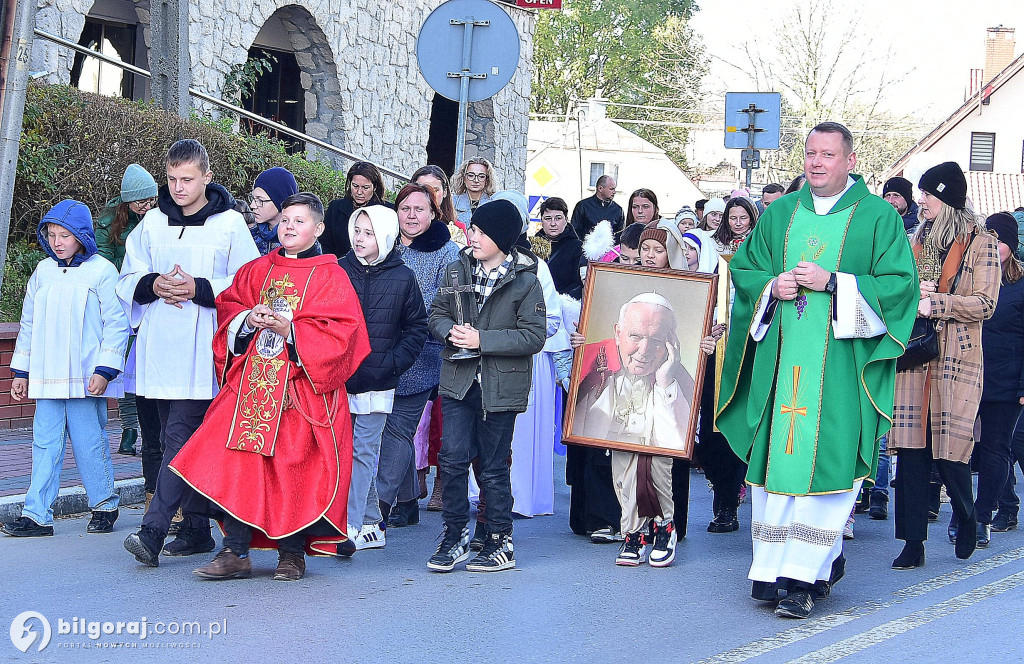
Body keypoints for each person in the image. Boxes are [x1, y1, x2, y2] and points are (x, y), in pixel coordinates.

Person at [717, 122, 918, 619]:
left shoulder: (876, 218)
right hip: (782, 365)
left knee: (824, 466)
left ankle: (806, 575)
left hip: (840, 373)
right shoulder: (779, 214)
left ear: (850, 160)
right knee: (778, 463)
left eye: (827, 154)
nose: (816, 162)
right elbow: (745, 270)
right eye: (810, 153)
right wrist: (772, 286)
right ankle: (772, 569)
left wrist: (837, 283)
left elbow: (899, 287)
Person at [169, 193, 371, 581]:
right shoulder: (257, 270)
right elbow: (229, 308)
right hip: (251, 390)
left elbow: (343, 335)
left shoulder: (330, 275)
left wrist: (290, 330)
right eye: (286, 220)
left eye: (299, 221)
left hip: (300, 392)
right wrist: (248, 319)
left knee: (294, 470)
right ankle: (235, 551)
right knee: (240, 466)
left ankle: (292, 554)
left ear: (319, 229)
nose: (290, 227)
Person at [121, 139, 261, 567]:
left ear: (207, 178)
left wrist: (199, 288)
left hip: (203, 350)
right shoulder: (152, 224)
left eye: (187, 179)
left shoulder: (231, 225)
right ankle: (198, 527)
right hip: (160, 347)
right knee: (171, 438)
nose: (178, 188)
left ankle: (153, 529)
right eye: (172, 179)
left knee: (178, 438)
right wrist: (152, 285)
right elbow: (128, 275)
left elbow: (248, 284)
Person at [890, 161, 1001, 569]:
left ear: (948, 200)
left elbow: (985, 304)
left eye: (928, 195)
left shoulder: (981, 242)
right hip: (915, 355)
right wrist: (911, 292)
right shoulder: (916, 237)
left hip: (956, 356)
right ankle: (912, 543)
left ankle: (967, 514)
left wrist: (934, 300)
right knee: (912, 451)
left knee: (950, 451)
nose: (921, 202)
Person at [426, 199, 546, 572]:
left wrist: (483, 340)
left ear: (501, 238)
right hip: (458, 380)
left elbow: (533, 336)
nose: (471, 236)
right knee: (452, 459)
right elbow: (437, 315)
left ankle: (499, 539)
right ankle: (455, 533)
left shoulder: (526, 281)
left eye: (479, 231)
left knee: (493, 467)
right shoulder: (456, 270)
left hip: (501, 387)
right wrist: (451, 334)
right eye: (471, 229)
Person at [1, 200, 129, 538]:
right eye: (52, 235)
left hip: (85, 376)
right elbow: (28, 325)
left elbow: (116, 324)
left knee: (90, 443)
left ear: (82, 236)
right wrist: (21, 373)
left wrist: (105, 369)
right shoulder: (42, 271)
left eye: (66, 235)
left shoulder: (102, 270)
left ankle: (104, 504)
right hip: (46, 377)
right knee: (44, 444)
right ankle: (37, 514)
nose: (58, 242)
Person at [573, 286, 695, 568]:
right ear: (618, 332)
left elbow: (676, 434)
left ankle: (665, 528)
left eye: (656, 341)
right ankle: (633, 533)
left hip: (656, 436)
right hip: (622, 433)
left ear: (669, 341)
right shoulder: (602, 365)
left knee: (658, 475)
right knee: (624, 479)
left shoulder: (674, 373)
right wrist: (578, 350)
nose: (643, 350)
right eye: (635, 336)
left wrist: (665, 381)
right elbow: (581, 409)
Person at [339, 205, 428, 550]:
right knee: (340, 450)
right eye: (357, 231)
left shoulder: (403, 277)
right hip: (339, 378)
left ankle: (351, 525)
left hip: (379, 383)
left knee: (363, 451)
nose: (360, 239)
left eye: (369, 232)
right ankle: (370, 520)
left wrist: (392, 363)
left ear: (386, 236)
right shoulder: (338, 270)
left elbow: (417, 328)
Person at [378, 183, 461, 527]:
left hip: (422, 353)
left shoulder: (447, 252)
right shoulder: (384, 243)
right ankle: (409, 499)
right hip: (380, 349)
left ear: (433, 214)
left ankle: (378, 506)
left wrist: (403, 316)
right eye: (405, 209)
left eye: (419, 210)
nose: (411, 216)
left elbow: (449, 305)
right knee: (388, 426)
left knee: (396, 427)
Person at [94, 164, 157, 458]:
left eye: (151, 200)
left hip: (148, 300)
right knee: (123, 368)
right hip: (120, 302)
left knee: (141, 368)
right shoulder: (109, 223)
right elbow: (103, 265)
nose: (147, 206)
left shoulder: (158, 220)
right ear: (127, 200)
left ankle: (143, 430)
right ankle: (129, 429)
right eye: (141, 201)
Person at [972, 212, 1024, 547]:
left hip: (1006, 382)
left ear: (1012, 246)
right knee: (964, 448)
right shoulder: (973, 278)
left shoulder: (1020, 285)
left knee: (997, 447)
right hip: (967, 375)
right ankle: (975, 510)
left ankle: (983, 515)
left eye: (1000, 242)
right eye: (988, 241)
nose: (994, 248)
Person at [321, 161, 392, 257]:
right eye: (355, 186)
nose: (359, 192)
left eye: (365, 187)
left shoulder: (387, 211)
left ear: (374, 187)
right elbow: (325, 244)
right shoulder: (335, 208)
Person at [537, 196, 584, 298]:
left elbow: (579, 284)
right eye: (548, 219)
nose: (553, 223)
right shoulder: (533, 245)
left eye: (558, 218)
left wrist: (557, 298)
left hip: (562, 305)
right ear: (541, 220)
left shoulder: (578, 248)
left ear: (566, 220)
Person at [247, 167, 299, 255]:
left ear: (281, 202)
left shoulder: (301, 241)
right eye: (253, 198)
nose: (252, 205)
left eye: (260, 200)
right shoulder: (249, 236)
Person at [413, 164, 463, 246]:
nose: (430, 194)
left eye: (435, 190)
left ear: (445, 192)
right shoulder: (400, 223)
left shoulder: (457, 230)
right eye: (423, 189)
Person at [570, 174, 624, 240]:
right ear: (600, 188)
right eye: (611, 189)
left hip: (610, 249)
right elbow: (574, 231)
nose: (614, 192)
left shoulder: (618, 210)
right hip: (584, 248)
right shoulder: (582, 206)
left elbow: (620, 234)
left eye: (614, 189)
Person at [452, 157, 497, 233]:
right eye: (471, 175)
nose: (476, 180)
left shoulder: (494, 204)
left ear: (487, 180)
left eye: (481, 176)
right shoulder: (452, 203)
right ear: (463, 177)